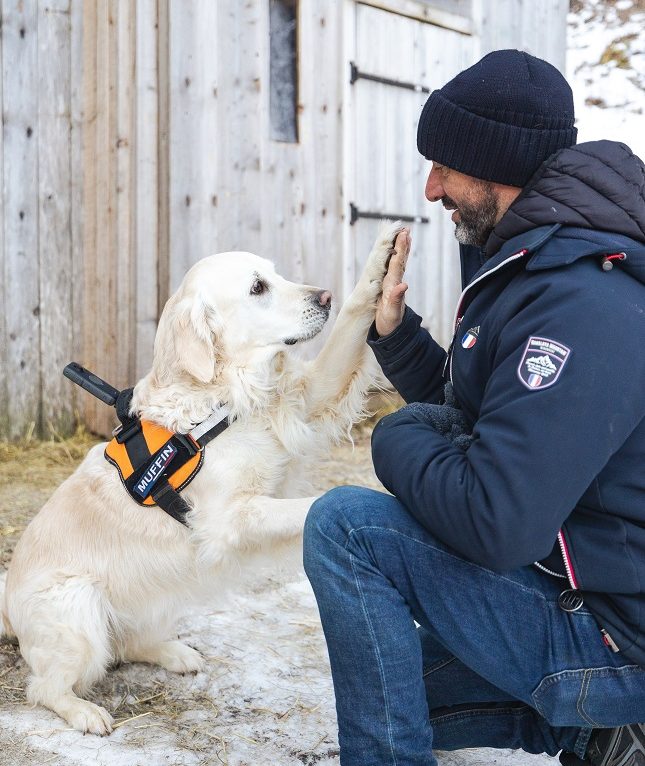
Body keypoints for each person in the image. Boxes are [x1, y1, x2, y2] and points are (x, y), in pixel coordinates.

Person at [303, 49, 645, 766]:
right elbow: (487, 420)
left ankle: (608, 711)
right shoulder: (541, 262)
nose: (430, 189)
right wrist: (397, 338)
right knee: (389, 687)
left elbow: (494, 524)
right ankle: (599, 734)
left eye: (443, 167)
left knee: (346, 526)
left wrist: (394, 432)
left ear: (495, 166)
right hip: (583, 597)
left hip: (618, 641)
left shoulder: (585, 299)